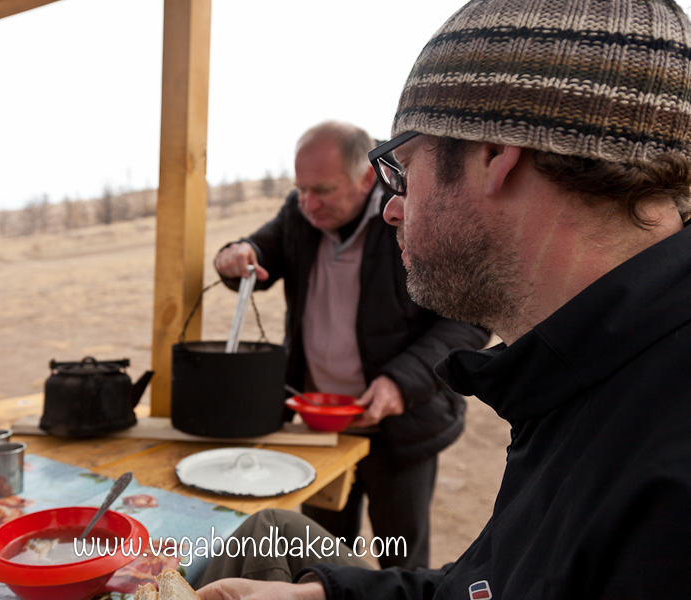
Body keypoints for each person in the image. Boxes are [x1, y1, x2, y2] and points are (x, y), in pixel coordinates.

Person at [197, 0, 691, 597]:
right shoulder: (594, 371)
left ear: (494, 156)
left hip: (402, 433)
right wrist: (321, 594)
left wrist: (402, 382)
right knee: (272, 537)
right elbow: (493, 586)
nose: (394, 207)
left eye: (402, 169)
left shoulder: (662, 445)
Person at [213, 121, 489, 569]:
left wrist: (401, 383)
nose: (308, 203)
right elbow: (256, 254)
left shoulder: (415, 217)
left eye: (321, 190)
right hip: (322, 426)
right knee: (316, 556)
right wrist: (237, 255)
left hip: (401, 430)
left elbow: (468, 321)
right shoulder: (299, 214)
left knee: (400, 560)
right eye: (301, 189)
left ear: (366, 178)